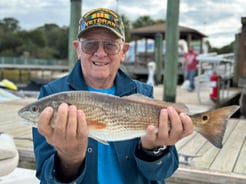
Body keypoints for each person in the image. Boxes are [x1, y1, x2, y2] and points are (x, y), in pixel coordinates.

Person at [33, 8, 193, 184]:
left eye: (110, 45)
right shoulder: (51, 95)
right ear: (78, 49)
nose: (100, 53)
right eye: (90, 44)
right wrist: (69, 159)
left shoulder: (144, 93)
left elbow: (163, 172)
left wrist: (154, 149)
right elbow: (45, 176)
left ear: (123, 51)